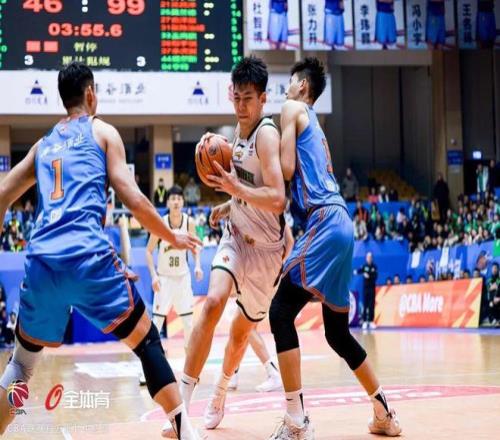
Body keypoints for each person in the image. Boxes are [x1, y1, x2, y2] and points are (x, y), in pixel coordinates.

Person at [0, 62, 202, 439]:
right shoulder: (103, 132)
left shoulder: (43, 145)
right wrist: (172, 237)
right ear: (91, 94)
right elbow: (135, 200)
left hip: (42, 262)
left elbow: (1, 196)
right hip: (88, 258)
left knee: (21, 367)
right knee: (147, 341)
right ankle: (185, 431)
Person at [268, 58, 401, 439]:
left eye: (290, 82)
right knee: (337, 334)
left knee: (280, 312)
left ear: (303, 87)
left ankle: (297, 422)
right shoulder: (314, 124)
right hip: (341, 221)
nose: (286, 89)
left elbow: (286, 169)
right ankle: (384, 413)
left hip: (323, 220)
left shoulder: (291, 109)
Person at [162, 56, 290, 436]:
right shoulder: (236, 130)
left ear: (263, 99)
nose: (241, 106)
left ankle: (219, 392)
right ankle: (181, 411)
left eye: (249, 99)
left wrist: (236, 189)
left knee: (239, 334)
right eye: (237, 97)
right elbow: (245, 187)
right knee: (213, 302)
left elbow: (277, 199)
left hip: (267, 252)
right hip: (236, 234)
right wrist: (229, 203)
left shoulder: (267, 136)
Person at [140, 185, 203, 386]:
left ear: (182, 202)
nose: (176, 202)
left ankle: (190, 372)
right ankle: (147, 372)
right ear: (167, 202)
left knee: (189, 326)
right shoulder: (161, 223)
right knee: (155, 326)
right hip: (165, 280)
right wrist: (153, 276)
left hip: (182, 279)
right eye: (172, 198)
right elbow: (148, 251)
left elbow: (196, 247)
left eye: (178, 198)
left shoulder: (189, 222)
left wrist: (198, 265)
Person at [354, 252, 378, 331]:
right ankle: (364, 321)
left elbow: (375, 276)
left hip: (372, 289)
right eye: (368, 257)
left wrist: (369, 275)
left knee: (371, 305)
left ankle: (371, 321)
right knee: (365, 304)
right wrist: (357, 272)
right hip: (365, 289)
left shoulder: (374, 267)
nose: (369, 258)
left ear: (372, 258)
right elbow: (358, 271)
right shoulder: (364, 266)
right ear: (366, 258)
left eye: (370, 257)